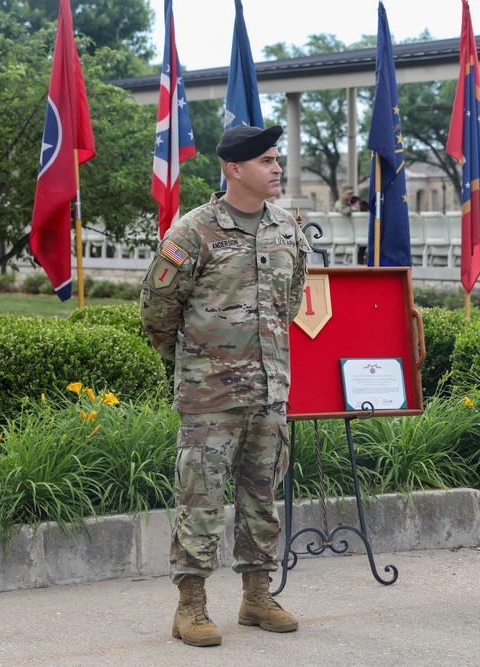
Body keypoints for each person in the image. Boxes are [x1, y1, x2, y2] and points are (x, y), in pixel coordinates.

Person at [140, 124, 311, 648]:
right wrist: (192, 361)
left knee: (263, 499)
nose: (277, 168)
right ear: (234, 169)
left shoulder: (287, 229)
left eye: (277, 159)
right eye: (265, 161)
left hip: (269, 392)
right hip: (209, 395)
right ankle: (190, 606)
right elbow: (156, 308)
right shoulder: (193, 230)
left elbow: (294, 297)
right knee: (201, 499)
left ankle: (257, 597)